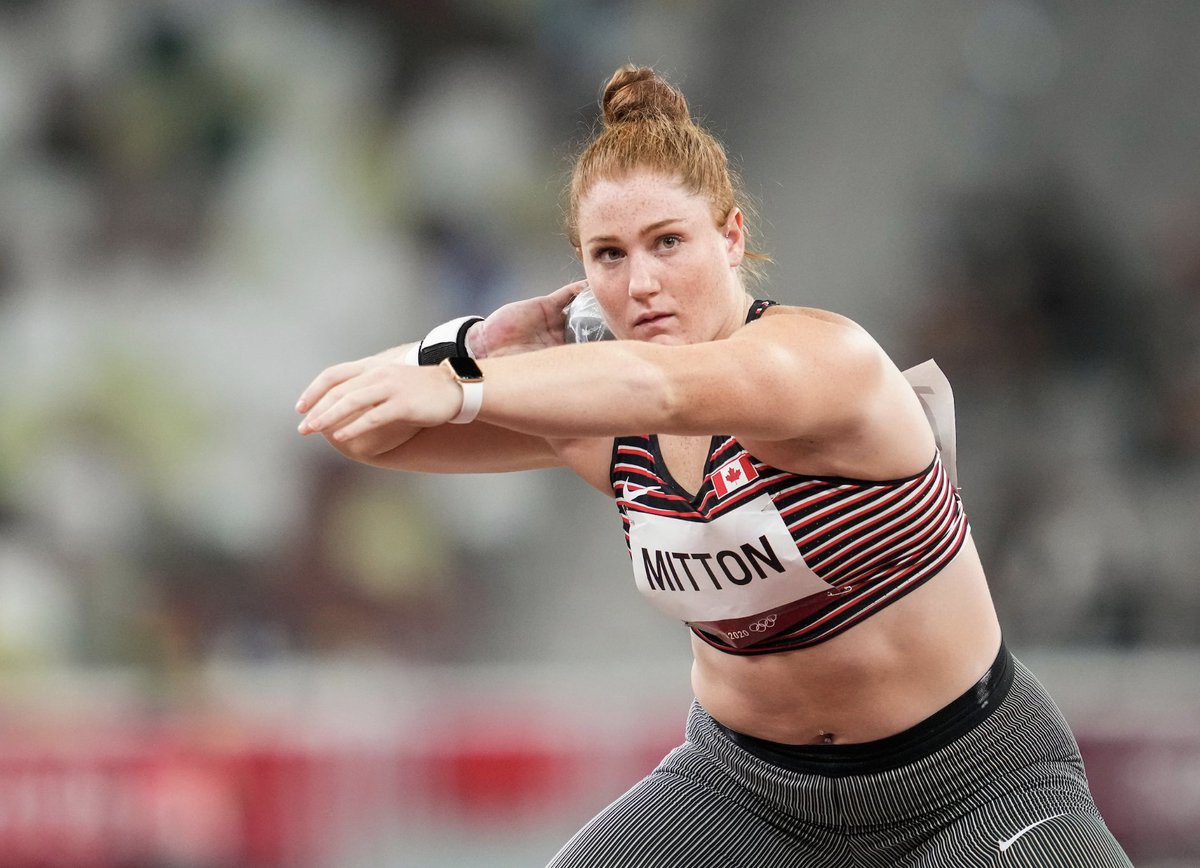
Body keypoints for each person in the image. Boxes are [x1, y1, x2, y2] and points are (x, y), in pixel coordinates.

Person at [296, 65, 1132, 867]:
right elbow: (362, 431)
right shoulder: (599, 420)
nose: (642, 283)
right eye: (609, 255)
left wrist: (465, 384)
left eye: (668, 242)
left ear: (731, 237)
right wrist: (482, 340)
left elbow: (665, 389)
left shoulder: (823, 360)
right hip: (748, 796)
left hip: (969, 785)